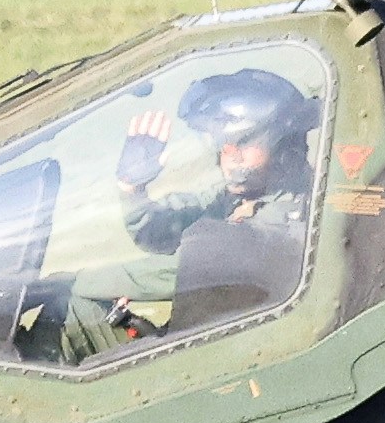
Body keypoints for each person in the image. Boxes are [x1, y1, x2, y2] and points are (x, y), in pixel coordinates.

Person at [51, 63, 320, 349]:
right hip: (221, 339)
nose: (229, 156)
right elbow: (159, 232)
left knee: (74, 306)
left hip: (237, 350)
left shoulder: (285, 218)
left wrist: (70, 283)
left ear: (284, 147)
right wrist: (132, 187)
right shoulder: (247, 196)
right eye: (222, 143)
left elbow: (178, 270)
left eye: (241, 143)